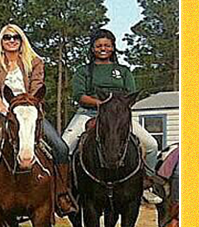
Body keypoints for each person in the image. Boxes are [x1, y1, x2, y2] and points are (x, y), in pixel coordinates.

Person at [0, 24, 75, 218]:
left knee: (60, 147)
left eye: (15, 37)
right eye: (7, 37)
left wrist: (28, 106)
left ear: (21, 41)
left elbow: (37, 87)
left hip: (30, 112)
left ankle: (61, 195)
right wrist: (3, 109)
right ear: (1, 41)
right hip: (2, 112)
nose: (11, 40)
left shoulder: (35, 62)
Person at [61, 29, 159, 182]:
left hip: (119, 116)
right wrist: (101, 104)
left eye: (107, 45)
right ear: (92, 49)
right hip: (88, 113)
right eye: (98, 46)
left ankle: (148, 182)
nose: (103, 49)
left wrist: (114, 108)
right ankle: (64, 187)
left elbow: (130, 95)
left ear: (113, 47)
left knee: (152, 145)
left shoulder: (123, 71)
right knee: (64, 147)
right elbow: (79, 96)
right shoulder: (83, 71)